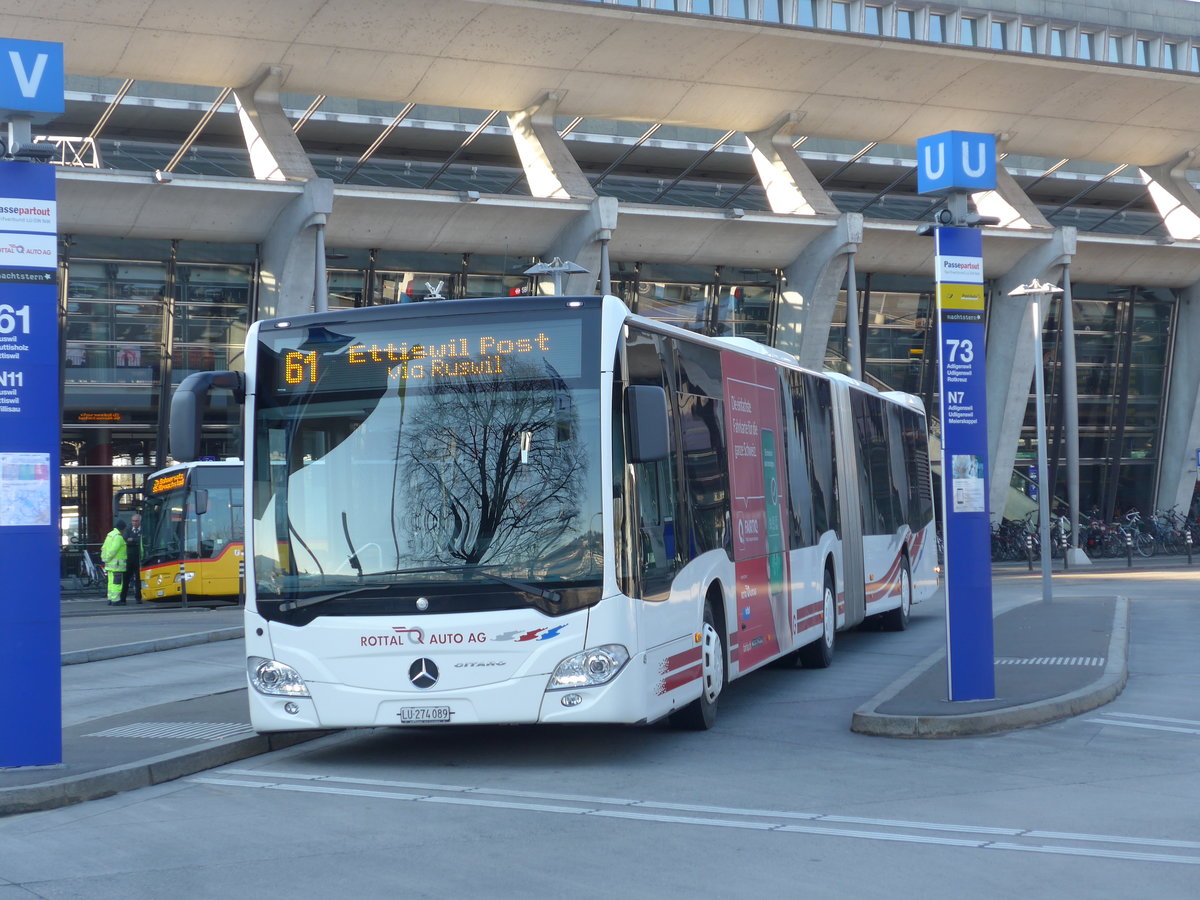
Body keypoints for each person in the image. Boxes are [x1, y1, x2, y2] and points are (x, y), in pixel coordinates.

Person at [100, 519, 128, 606]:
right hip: (117, 565)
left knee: (111, 582)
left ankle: (110, 598)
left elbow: (104, 548)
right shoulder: (118, 537)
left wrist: (104, 558)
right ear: (123, 528)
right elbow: (113, 550)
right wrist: (108, 558)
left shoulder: (110, 535)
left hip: (109, 565)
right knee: (117, 583)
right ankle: (116, 600)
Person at [120, 512, 142, 605]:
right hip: (129, 558)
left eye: (136, 521)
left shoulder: (143, 530)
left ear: (140, 521)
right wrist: (136, 540)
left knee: (138, 579)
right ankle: (123, 599)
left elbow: (143, 540)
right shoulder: (128, 529)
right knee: (126, 579)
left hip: (139, 558)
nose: (134, 523)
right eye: (133, 521)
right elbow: (125, 540)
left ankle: (138, 598)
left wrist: (132, 540)